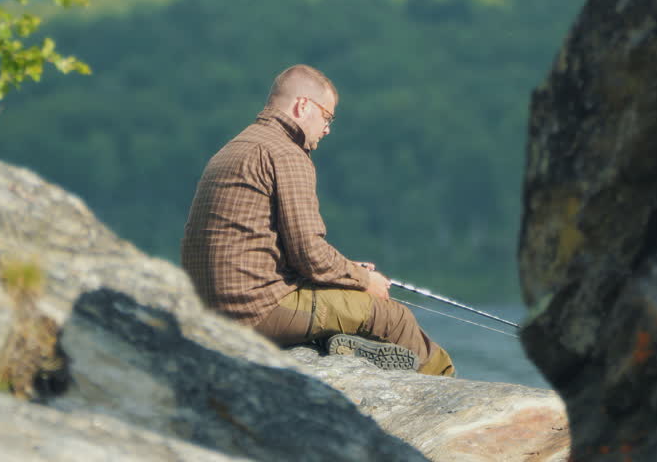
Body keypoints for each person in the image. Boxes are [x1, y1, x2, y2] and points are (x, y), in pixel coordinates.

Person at [181, 64, 454, 376]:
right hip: (256, 312)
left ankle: (342, 348)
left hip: (212, 312)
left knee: (352, 303)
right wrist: (365, 281)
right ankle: (448, 397)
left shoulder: (234, 148)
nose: (327, 129)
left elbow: (278, 250)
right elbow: (309, 253)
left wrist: (348, 271)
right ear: (302, 106)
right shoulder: (286, 153)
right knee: (393, 318)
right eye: (328, 117)